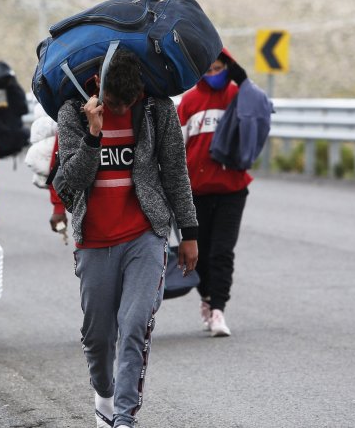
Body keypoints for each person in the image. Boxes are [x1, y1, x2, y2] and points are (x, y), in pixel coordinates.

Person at [53, 48, 199, 428]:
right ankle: (103, 393)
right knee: (98, 338)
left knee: (134, 326)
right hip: (94, 242)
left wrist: (189, 233)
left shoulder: (156, 110)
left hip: (144, 236)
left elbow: (176, 174)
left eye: (128, 101)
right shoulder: (72, 113)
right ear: (98, 84)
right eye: (113, 101)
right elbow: (68, 186)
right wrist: (93, 136)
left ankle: (123, 417)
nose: (120, 108)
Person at [176, 49, 253, 337]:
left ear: (228, 68)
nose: (213, 74)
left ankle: (218, 309)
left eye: (218, 68)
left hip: (232, 189)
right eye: (207, 70)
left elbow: (257, 110)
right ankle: (207, 298)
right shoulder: (189, 102)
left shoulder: (238, 95)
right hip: (195, 193)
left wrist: (243, 82)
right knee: (200, 253)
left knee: (222, 252)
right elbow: (175, 149)